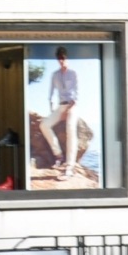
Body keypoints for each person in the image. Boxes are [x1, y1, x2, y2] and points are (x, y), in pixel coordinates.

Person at [37, 46, 80, 178]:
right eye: (59, 58)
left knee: (70, 129)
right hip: (60, 106)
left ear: (67, 58)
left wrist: (67, 111)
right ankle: (59, 155)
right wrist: (52, 110)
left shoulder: (73, 73)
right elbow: (50, 94)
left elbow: (76, 96)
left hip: (72, 106)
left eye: (63, 58)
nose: (62, 61)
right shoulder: (54, 75)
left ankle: (70, 167)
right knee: (44, 125)